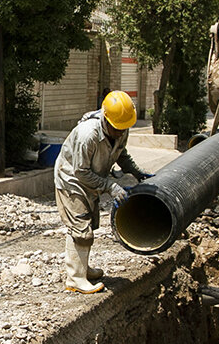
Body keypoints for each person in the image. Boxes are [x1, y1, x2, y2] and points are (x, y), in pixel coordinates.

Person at [54, 91, 150, 293]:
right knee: (81, 228)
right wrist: (110, 186)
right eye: (116, 128)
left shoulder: (121, 127)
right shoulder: (88, 134)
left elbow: (121, 153)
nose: (120, 132)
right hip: (72, 179)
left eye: (124, 128)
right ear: (106, 119)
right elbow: (80, 171)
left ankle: (82, 268)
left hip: (91, 178)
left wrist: (135, 172)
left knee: (89, 225)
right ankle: (75, 279)